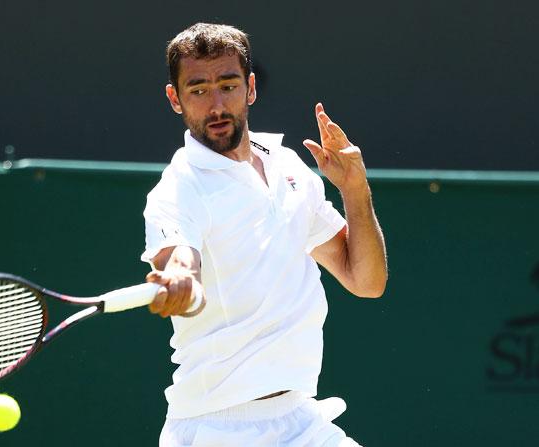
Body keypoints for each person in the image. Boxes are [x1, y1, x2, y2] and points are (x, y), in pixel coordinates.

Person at [141, 23, 387, 447]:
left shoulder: (289, 167)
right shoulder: (178, 188)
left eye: (228, 85)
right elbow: (181, 256)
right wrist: (181, 277)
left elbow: (366, 281)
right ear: (174, 99)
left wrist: (355, 190)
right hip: (214, 428)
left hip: (300, 420)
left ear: (250, 88)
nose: (216, 104)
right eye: (198, 90)